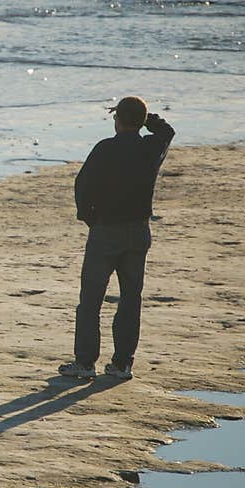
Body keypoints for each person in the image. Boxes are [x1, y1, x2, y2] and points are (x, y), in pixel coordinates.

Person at [59, 96, 175, 380]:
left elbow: (82, 185)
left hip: (106, 230)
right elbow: (166, 131)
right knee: (130, 299)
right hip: (137, 230)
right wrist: (144, 117)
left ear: (118, 120)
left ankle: (85, 363)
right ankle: (122, 364)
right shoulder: (149, 147)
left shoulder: (106, 148)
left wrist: (89, 217)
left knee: (91, 299)